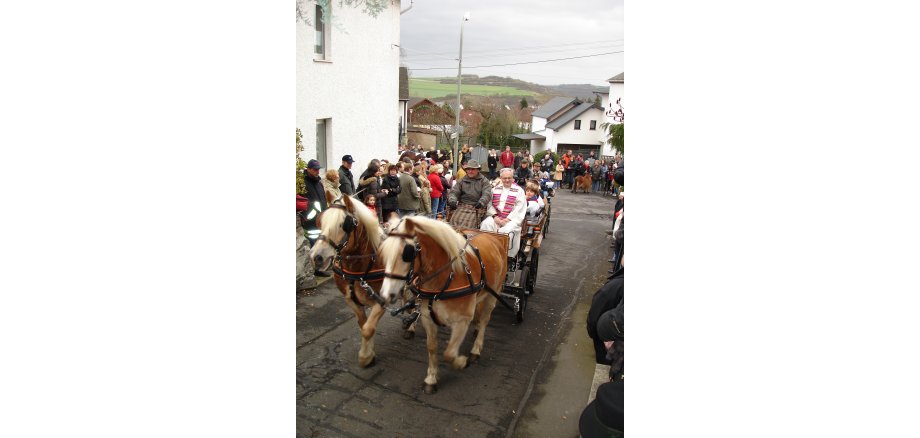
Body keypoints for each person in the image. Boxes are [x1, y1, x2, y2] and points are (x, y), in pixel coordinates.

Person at [480, 168, 527, 260]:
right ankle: (487, 251)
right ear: (501, 178)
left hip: (511, 218)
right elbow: (489, 204)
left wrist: (507, 219)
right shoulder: (495, 189)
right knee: (486, 224)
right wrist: (494, 216)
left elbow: (520, 207)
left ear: (513, 178)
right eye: (504, 178)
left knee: (507, 231)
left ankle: (505, 256)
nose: (507, 180)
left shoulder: (519, 190)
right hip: (496, 217)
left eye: (509, 178)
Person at [446, 160, 492, 229]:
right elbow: (454, 192)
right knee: (454, 222)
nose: (470, 171)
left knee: (469, 226)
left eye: (473, 169)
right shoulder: (462, 180)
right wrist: (452, 200)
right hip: (462, 206)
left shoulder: (484, 181)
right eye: (468, 169)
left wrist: (481, 202)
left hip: (476, 207)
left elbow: (487, 193)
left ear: (478, 170)